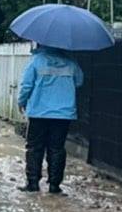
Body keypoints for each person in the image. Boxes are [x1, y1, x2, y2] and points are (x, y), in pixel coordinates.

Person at [16, 44, 83, 194]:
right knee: (57, 149)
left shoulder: (36, 61)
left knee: (34, 147)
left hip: (39, 113)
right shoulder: (71, 62)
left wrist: (21, 101)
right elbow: (79, 82)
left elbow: (26, 85)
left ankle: (33, 183)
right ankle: (54, 186)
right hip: (63, 114)